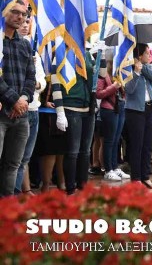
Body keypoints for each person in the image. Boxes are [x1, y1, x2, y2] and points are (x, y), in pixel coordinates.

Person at [0, 0, 36, 197]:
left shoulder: (25, 45)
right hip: (2, 111)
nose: (20, 17)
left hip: (21, 114)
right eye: (15, 12)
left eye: (23, 13)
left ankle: (7, 208)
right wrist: (14, 99)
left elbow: (31, 76)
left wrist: (23, 98)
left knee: (14, 164)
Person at [51, 47, 96, 195]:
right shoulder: (59, 53)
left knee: (85, 151)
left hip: (88, 108)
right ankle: (70, 188)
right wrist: (60, 111)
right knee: (72, 152)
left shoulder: (86, 54)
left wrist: (100, 60)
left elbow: (98, 77)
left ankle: (83, 187)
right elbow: (55, 83)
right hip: (70, 107)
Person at [14, 15, 46, 195]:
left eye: (28, 22)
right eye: (23, 22)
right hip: (19, 108)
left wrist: (35, 82)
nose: (25, 25)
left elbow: (41, 82)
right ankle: (13, 195)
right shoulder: (9, 47)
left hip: (34, 108)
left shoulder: (34, 52)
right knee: (14, 158)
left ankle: (20, 191)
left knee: (26, 157)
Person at [125, 44, 152, 189]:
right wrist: (136, 73)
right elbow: (129, 89)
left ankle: (145, 175)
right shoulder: (128, 69)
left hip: (150, 108)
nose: (149, 56)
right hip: (135, 111)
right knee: (136, 145)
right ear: (139, 55)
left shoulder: (147, 67)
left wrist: (142, 67)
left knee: (147, 144)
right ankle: (136, 177)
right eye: (146, 53)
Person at [96, 52, 129, 181]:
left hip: (120, 107)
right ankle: (108, 169)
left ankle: (115, 167)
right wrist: (114, 87)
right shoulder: (103, 74)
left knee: (116, 140)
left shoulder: (118, 75)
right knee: (109, 141)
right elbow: (99, 94)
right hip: (108, 109)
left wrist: (122, 87)